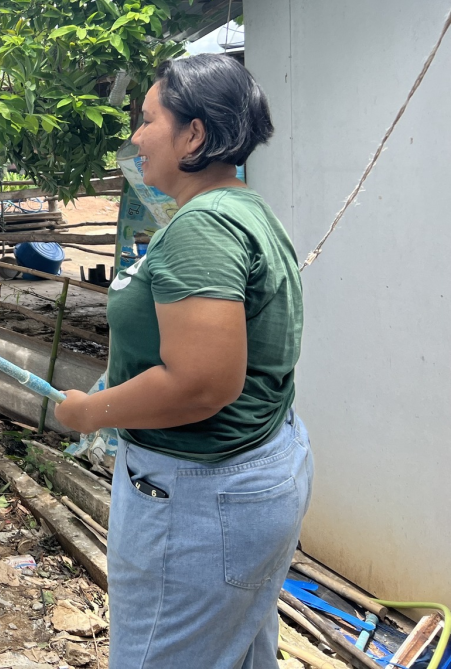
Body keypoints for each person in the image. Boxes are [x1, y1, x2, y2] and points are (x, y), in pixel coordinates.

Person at [55, 54, 314, 669]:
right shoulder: (245, 209)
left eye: (147, 121)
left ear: (194, 134)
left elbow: (201, 384)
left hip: (201, 499)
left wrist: (92, 411)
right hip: (256, 469)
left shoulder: (202, 228)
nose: (136, 138)